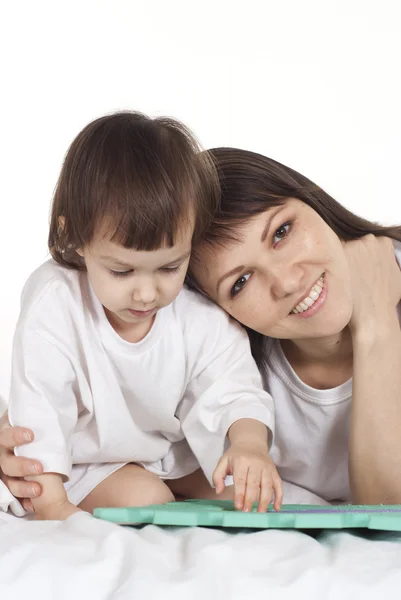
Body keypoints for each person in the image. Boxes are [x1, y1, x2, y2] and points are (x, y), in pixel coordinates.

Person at [4, 145, 401, 508]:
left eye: (282, 232)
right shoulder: (229, 376)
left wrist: (379, 324)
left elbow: (389, 507)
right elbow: (123, 424)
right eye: (240, 283)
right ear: (217, 311)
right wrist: (27, 444)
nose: (286, 282)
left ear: (311, 198)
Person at [0, 122, 282, 520]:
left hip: (163, 454)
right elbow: (41, 410)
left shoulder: (195, 315)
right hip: (83, 463)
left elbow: (233, 388)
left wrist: (249, 446)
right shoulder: (57, 301)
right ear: (75, 237)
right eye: (122, 271)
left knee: (246, 491)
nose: (148, 293)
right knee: (147, 499)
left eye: (169, 267)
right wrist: (54, 507)